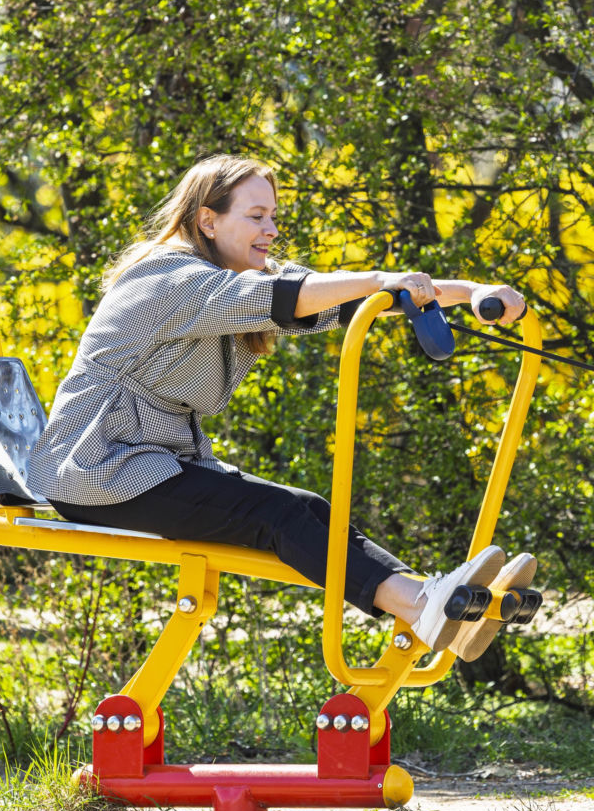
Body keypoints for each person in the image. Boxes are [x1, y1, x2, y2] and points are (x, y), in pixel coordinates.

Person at [27, 154, 536, 660]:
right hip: (95, 468)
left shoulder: (235, 276)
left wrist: (474, 292)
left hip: (151, 462)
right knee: (276, 515)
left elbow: (350, 297)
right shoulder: (169, 279)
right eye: (255, 216)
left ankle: (431, 601)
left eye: (273, 217)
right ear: (208, 218)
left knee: (310, 509)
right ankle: (423, 603)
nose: (270, 230)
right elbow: (298, 294)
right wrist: (384, 277)